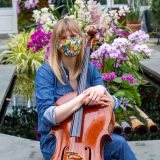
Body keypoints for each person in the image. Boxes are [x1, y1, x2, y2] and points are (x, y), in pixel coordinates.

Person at [35, 18, 137, 160]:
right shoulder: (46, 72)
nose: (69, 41)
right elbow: (48, 115)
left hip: (89, 136)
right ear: (56, 43)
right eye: (63, 38)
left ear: (81, 39)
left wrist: (102, 89)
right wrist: (82, 98)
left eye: (73, 37)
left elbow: (111, 103)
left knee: (120, 144)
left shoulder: (89, 69)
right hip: (57, 141)